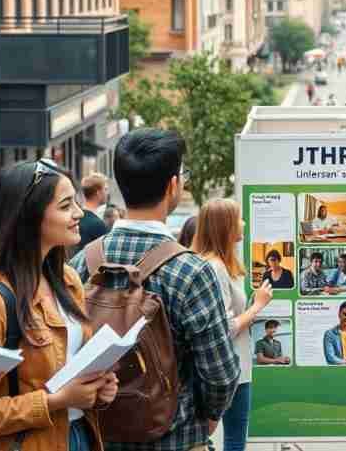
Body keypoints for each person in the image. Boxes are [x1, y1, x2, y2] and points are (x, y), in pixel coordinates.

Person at [69, 129, 239, 451]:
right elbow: (220, 373)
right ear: (173, 185)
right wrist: (209, 415)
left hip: (99, 437)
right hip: (175, 438)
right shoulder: (192, 272)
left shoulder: (81, 264)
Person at [0, 159, 119, 451]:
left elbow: (70, 367)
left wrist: (98, 388)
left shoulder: (68, 279)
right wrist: (56, 400)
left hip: (79, 436)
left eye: (75, 201)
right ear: (28, 217)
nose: (78, 213)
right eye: (65, 206)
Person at [192, 199, 273, 451]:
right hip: (230, 368)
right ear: (224, 226)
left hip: (235, 366)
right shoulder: (215, 267)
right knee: (235, 441)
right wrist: (257, 306)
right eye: (238, 218)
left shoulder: (221, 264)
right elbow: (223, 329)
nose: (244, 222)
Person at [77, 173, 110, 252]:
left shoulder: (76, 217)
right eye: (105, 189)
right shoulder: (97, 224)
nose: (107, 193)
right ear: (98, 192)